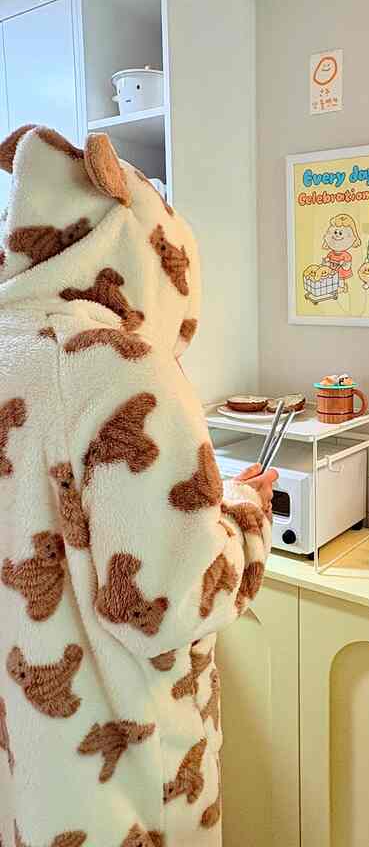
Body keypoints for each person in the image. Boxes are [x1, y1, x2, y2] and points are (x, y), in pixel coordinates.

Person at [0, 125, 277, 847]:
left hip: (28, 760)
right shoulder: (119, 362)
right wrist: (247, 512)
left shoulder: (11, 345)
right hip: (123, 772)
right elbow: (163, 604)